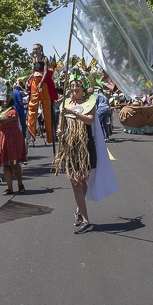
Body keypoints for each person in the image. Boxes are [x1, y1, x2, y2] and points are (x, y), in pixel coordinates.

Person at [54, 73, 118, 234]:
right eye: (71, 85)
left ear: (83, 88)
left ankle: (78, 210)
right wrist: (59, 130)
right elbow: (61, 124)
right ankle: (86, 220)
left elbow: (89, 120)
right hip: (71, 145)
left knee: (83, 182)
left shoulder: (90, 102)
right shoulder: (65, 103)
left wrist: (73, 112)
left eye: (77, 85)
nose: (73, 88)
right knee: (76, 183)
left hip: (86, 145)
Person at [27, 44, 57, 146]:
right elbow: (34, 71)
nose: (34, 51)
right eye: (33, 49)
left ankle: (50, 135)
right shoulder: (34, 59)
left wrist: (42, 82)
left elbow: (45, 71)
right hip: (35, 81)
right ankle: (31, 132)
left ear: (40, 49)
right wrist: (29, 79)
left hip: (42, 82)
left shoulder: (45, 59)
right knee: (32, 105)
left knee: (46, 107)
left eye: (36, 49)